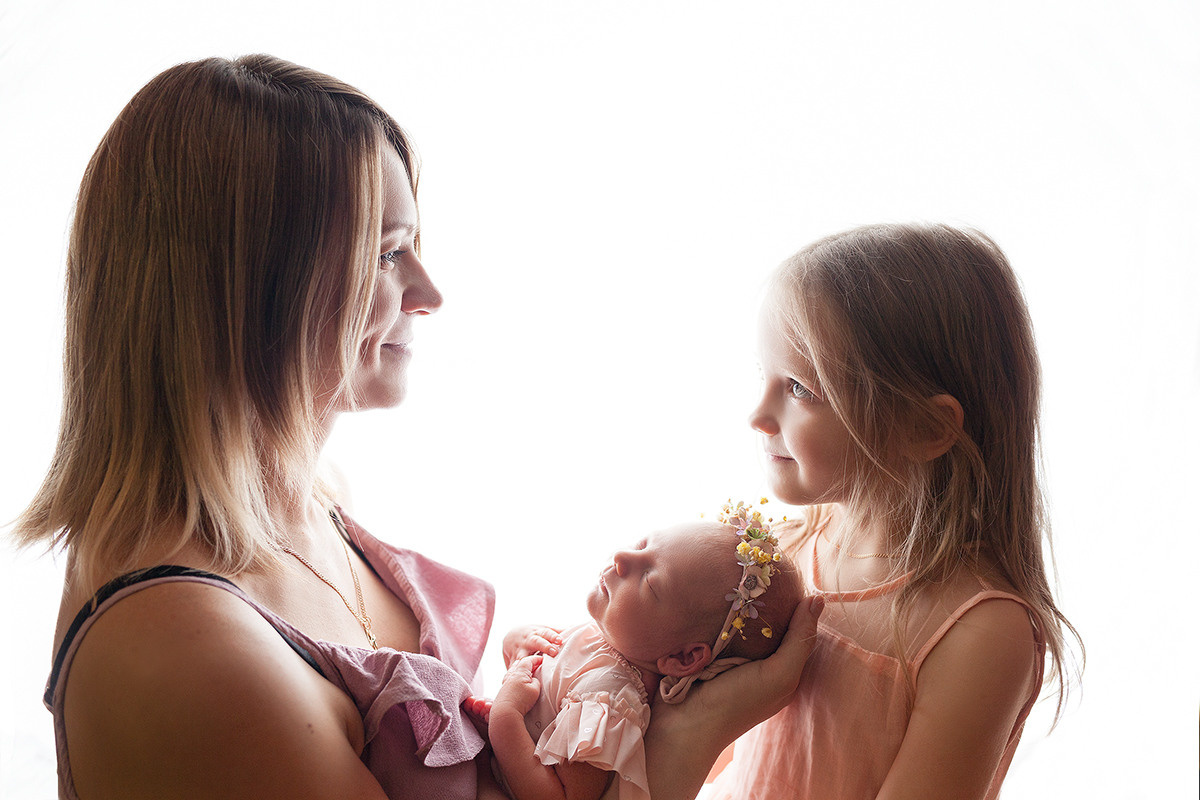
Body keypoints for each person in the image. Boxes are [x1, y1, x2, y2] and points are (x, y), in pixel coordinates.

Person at [13, 55, 505, 800]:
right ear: (247, 284)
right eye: (385, 253)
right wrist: (686, 739)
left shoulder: (309, 500)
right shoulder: (182, 646)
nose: (428, 294)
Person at [644, 223, 1082, 800]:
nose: (758, 414)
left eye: (800, 388)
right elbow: (677, 747)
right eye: (764, 377)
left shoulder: (977, 632)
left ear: (925, 428)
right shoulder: (776, 557)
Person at [467, 503, 811, 800]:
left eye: (650, 580)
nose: (621, 557)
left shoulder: (607, 701)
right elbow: (539, 675)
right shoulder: (607, 640)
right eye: (641, 544)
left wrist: (505, 717)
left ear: (684, 658)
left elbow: (558, 796)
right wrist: (518, 641)